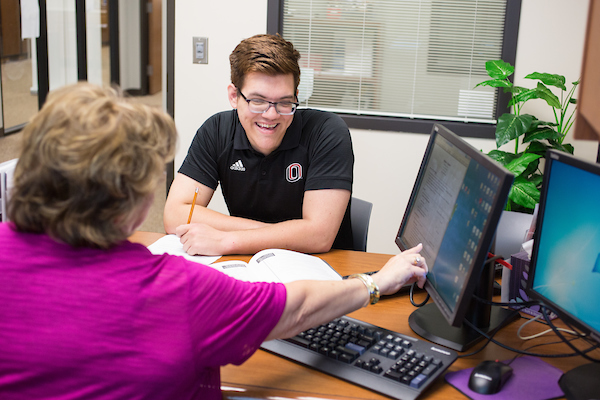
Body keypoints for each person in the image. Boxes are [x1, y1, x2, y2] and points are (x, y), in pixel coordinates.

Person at [0, 82, 428, 400]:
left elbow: (318, 233)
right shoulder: (174, 290)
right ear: (134, 204)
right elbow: (294, 308)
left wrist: (222, 232)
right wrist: (374, 283)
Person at [163, 34, 355, 256]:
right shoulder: (216, 130)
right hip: (247, 263)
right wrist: (290, 234)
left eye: (285, 102)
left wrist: (227, 239)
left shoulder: (327, 132)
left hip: (321, 267)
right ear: (234, 96)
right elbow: (175, 215)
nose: (271, 115)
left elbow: (319, 236)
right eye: (258, 101)